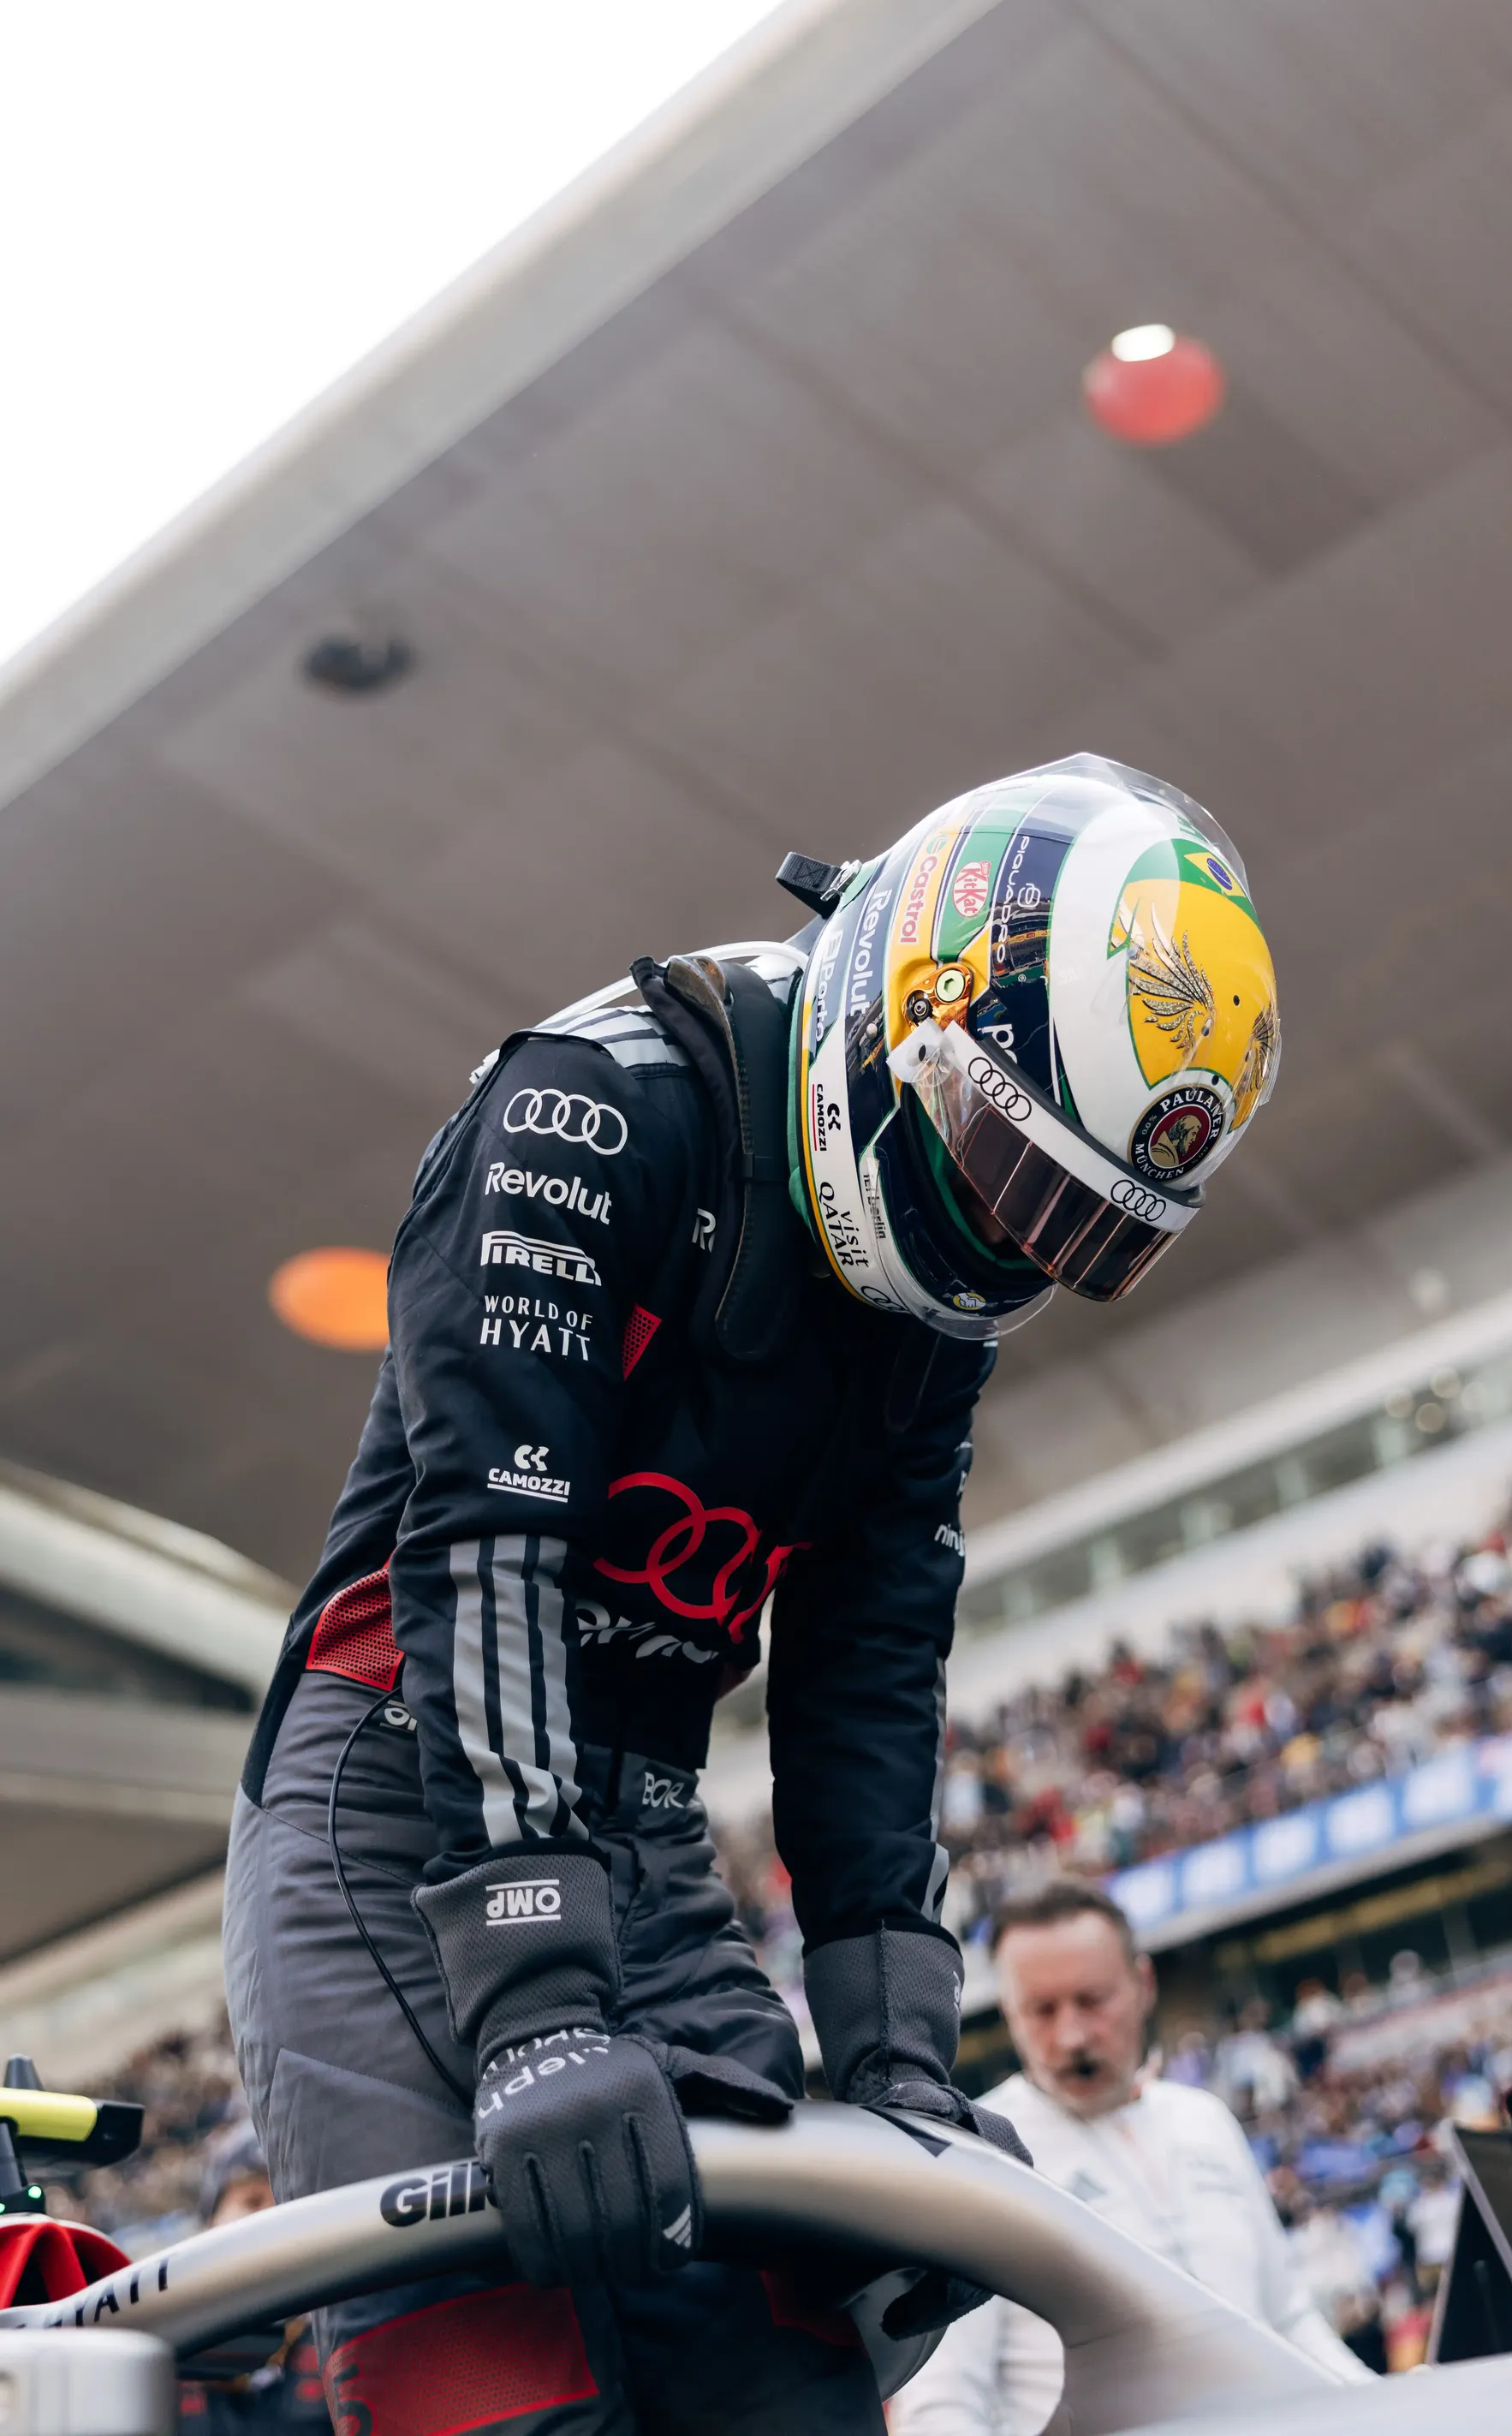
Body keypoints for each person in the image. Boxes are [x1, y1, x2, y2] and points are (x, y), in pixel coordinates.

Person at [223, 755, 1283, 2435]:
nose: (1006, 1241)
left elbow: (873, 1645)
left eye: (1067, 1218)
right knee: (504, 2401)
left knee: (794, 2376)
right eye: (1008, 1167)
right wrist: (534, 1995)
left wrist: (897, 2047)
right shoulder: (590, 1106)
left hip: (638, 1824)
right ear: (901, 1009)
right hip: (393, 1790)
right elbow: (488, 1540)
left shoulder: (937, 1314)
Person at [891, 1881, 1369, 2433]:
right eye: (1041, 2010)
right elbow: (943, 2404)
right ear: (1008, 2011)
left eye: (1092, 2001)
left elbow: (1288, 2318)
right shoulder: (975, 2157)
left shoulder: (1205, 2119)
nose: (1071, 2036)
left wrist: (1392, 2405)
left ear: (1143, 1984)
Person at [178, 2125, 329, 2433]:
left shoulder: (338, 2335)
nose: (271, 2217)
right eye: (252, 2200)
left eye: (287, 2203)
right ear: (211, 2222)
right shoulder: (167, 2343)